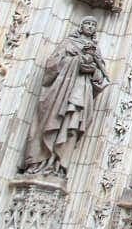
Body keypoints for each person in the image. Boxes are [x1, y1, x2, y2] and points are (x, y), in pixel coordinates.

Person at [21, 17, 110, 176]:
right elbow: (52, 64)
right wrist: (75, 61)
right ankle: (40, 161)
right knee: (53, 120)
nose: (90, 27)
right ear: (81, 26)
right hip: (62, 90)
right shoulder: (68, 43)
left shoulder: (96, 50)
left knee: (73, 126)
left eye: (93, 25)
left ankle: (59, 165)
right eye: (87, 23)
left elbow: (102, 77)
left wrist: (92, 70)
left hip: (81, 91)